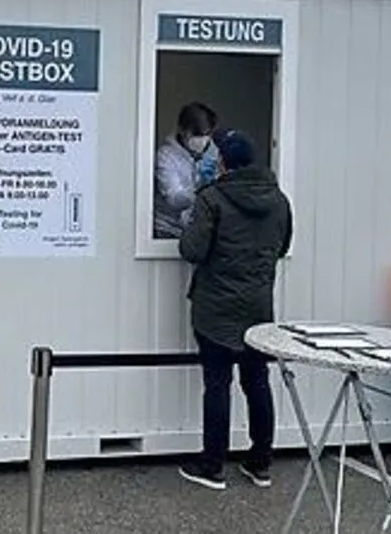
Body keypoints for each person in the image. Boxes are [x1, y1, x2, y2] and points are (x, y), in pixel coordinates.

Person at [177, 128, 293, 491]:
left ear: (223, 161)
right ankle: (260, 463)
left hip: (216, 309)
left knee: (217, 384)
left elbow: (192, 250)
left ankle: (212, 465)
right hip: (257, 306)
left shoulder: (212, 199)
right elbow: (282, 245)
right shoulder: (279, 200)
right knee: (257, 382)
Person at [154, 102, 221, 239]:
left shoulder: (213, 152)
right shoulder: (166, 156)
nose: (202, 140)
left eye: (206, 134)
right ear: (182, 130)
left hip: (200, 230)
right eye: (196, 134)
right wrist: (197, 190)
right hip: (168, 229)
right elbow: (173, 198)